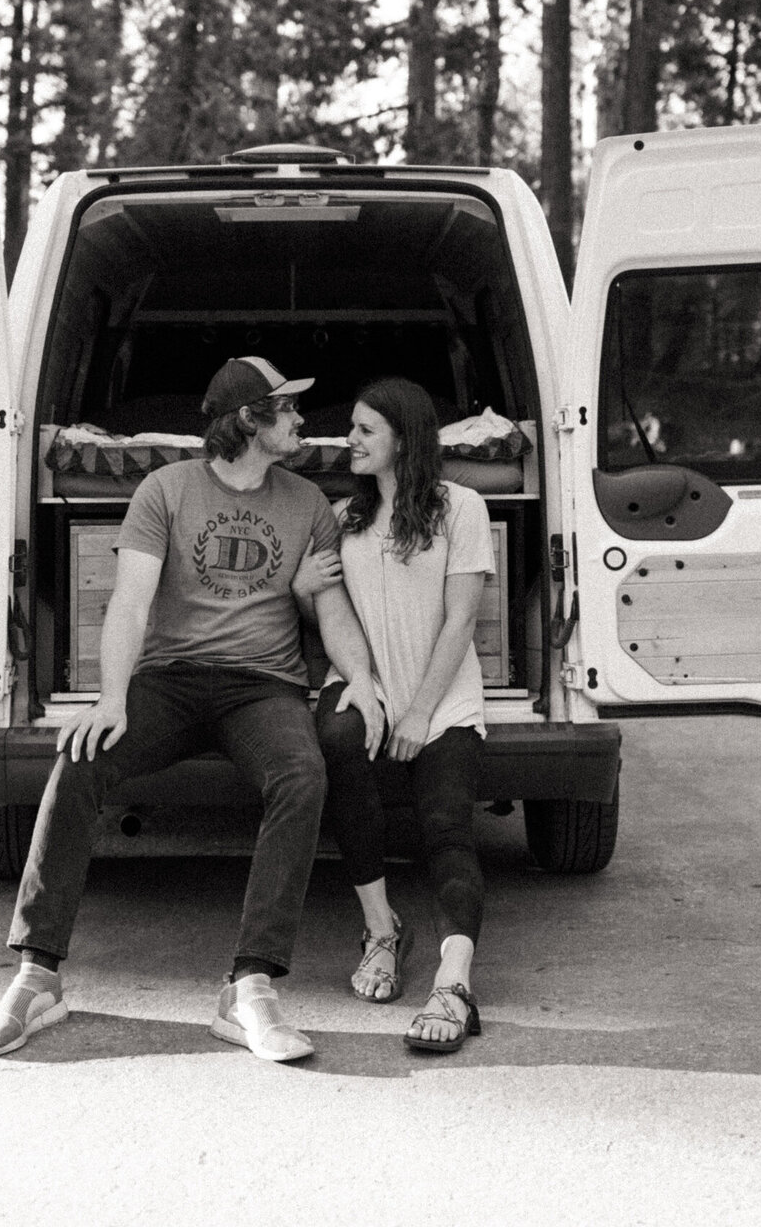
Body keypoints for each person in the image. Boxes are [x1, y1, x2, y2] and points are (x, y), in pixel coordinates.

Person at [0, 355, 384, 1064]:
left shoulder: (307, 502)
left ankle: (248, 987)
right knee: (80, 755)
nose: (299, 420)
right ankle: (37, 977)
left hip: (263, 686)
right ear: (251, 420)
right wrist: (111, 698)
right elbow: (129, 602)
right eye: (284, 409)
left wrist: (365, 679)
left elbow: (330, 604)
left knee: (301, 775)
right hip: (171, 677)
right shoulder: (166, 490)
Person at [312, 376, 494, 1054]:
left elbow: (461, 617)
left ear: (403, 437)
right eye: (351, 428)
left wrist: (420, 713)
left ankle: (454, 981)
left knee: (445, 821)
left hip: (442, 697)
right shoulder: (343, 517)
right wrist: (309, 596)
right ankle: (382, 931)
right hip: (368, 686)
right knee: (336, 739)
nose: (350, 440)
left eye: (364, 429)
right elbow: (329, 610)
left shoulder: (460, 508)